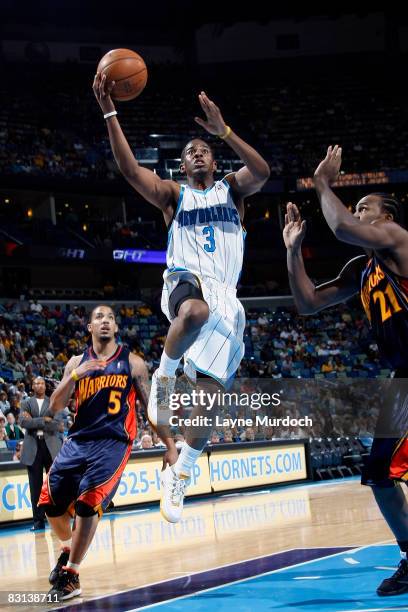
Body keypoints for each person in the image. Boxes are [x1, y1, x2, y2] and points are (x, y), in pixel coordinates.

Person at [93, 75, 270, 523]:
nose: (196, 153)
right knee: (194, 309)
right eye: (189, 151)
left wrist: (224, 130)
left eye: (203, 149)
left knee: (210, 403)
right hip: (184, 282)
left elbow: (264, 172)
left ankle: (181, 473)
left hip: (228, 300)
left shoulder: (232, 190)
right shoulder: (174, 195)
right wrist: (111, 112)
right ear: (181, 166)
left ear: (213, 159)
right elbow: (131, 172)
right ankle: (164, 383)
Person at [284, 144, 408, 597]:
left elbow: (340, 226)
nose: (356, 213)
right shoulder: (362, 268)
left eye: (365, 207)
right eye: (355, 206)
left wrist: (322, 183)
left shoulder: (399, 240)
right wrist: (294, 251)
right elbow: (308, 303)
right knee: (378, 473)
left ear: (387, 216)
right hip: (401, 380)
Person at [39, 305, 148, 601]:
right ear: (89, 327)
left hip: (113, 441)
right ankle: (67, 550)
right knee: (50, 501)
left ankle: (71, 576)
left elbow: (152, 406)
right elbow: (54, 407)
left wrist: (171, 442)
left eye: (110, 318)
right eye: (99, 317)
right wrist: (74, 375)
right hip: (78, 440)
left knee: (88, 503)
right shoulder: (76, 362)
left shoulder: (133, 363)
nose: (105, 321)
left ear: (115, 328)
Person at [19, 377, 62, 531]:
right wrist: (44, 419)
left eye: (42, 383)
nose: (40, 385)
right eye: (37, 383)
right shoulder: (25, 403)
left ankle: (56, 520)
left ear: (45, 386)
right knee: (35, 487)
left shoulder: (53, 402)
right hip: (33, 447)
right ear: (32, 386)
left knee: (53, 486)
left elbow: (58, 425)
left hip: (51, 447)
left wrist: (35, 421)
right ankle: (38, 522)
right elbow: (23, 423)